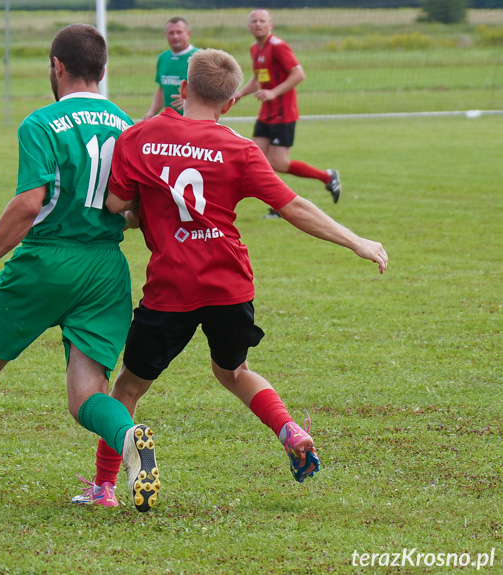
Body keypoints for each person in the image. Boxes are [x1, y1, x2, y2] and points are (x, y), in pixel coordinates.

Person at [71, 49, 388, 508]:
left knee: (126, 389)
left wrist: (150, 208)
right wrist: (356, 240)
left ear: (182, 89)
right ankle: (288, 428)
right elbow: (293, 206)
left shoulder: (141, 137)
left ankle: (103, 488)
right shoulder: (241, 149)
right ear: (231, 102)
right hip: (229, 283)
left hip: (172, 288)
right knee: (232, 370)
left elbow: (118, 206)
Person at [0, 24, 160, 512]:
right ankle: (128, 435)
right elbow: (134, 209)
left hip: (48, 259)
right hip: (106, 268)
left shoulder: (41, 123)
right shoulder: (129, 125)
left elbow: (30, 203)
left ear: (57, 66)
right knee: (86, 395)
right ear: (104, 70)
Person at [233, 9, 340, 218]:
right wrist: (240, 94)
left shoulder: (278, 47)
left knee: (278, 164)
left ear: (270, 25)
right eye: (254, 21)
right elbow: (258, 78)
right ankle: (277, 207)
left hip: (284, 114)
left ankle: (327, 177)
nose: (257, 24)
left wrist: (274, 91)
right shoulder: (255, 48)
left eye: (262, 21)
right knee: (257, 160)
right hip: (266, 114)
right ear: (249, 26)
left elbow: (299, 74)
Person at [142, 17, 198, 121]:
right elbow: (162, 88)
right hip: (170, 121)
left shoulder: (199, 57)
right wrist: (152, 112)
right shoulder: (163, 58)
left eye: (179, 32)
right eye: (171, 33)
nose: (175, 36)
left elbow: (210, 91)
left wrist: (191, 100)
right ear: (165, 35)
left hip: (194, 121)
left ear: (188, 33)